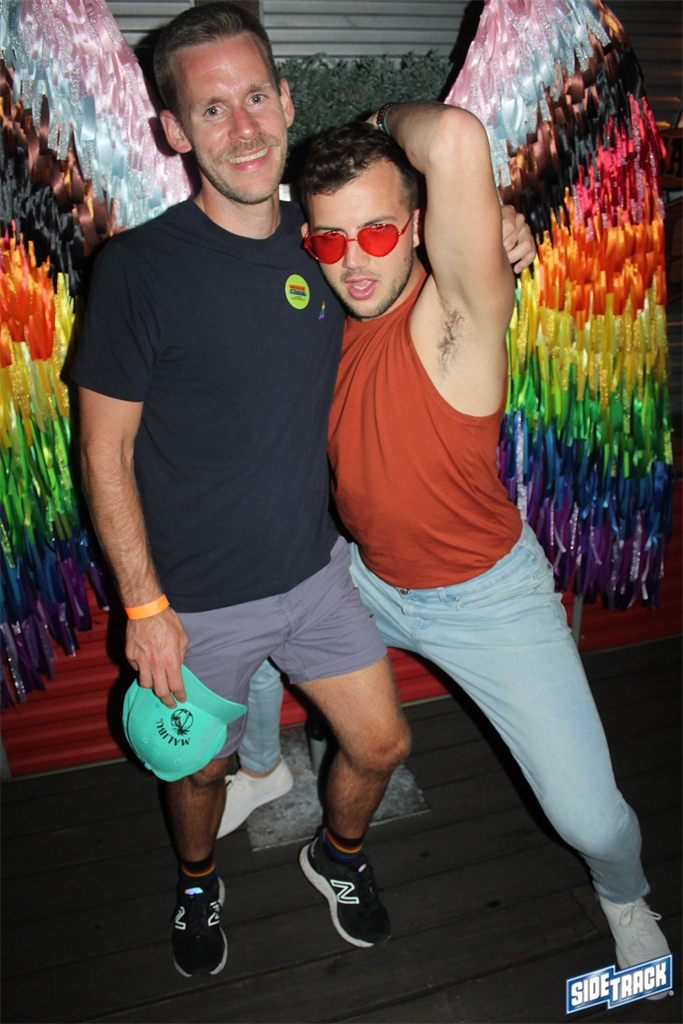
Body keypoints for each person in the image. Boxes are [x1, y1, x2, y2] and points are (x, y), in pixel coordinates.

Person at [227, 106, 671, 981]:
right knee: (251, 619)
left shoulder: (453, 313)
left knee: (590, 819)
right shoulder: (319, 320)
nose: (354, 261)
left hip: (485, 598)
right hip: (364, 577)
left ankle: (625, 896)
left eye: (378, 230)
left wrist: (377, 122)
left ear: (421, 224)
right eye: (329, 240)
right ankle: (265, 768)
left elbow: (457, 142)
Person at [71, 2, 414, 975]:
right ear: (174, 131)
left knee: (380, 744)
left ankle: (336, 855)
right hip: (195, 605)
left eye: (256, 97)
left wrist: (501, 233)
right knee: (198, 773)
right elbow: (103, 452)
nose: (244, 127)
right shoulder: (138, 270)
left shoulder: (327, 243)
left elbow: (424, 239)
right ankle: (195, 882)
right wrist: (144, 607)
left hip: (314, 575)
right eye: (211, 109)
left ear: (287, 100)